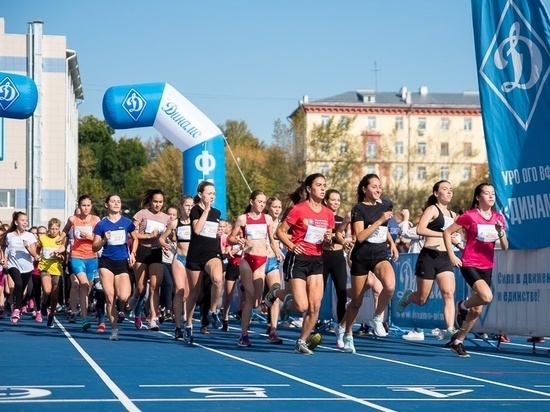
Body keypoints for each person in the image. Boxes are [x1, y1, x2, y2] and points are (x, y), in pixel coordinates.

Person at [270, 173, 335, 355]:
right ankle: (277, 294)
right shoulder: (299, 209)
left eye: (324, 185)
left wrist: (329, 240)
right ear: (309, 189)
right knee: (301, 306)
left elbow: (327, 242)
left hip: (317, 260)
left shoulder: (328, 213)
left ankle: (301, 341)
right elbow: (279, 232)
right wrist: (292, 246)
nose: (322, 189)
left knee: (315, 306)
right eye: (319, 185)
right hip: (297, 259)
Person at [443, 182, 508, 358]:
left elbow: (505, 247)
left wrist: (501, 232)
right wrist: (452, 255)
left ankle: (458, 342)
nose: (491, 196)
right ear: (478, 197)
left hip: (487, 265)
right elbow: (447, 233)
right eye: (486, 193)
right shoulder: (469, 216)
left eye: (493, 193)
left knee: (477, 310)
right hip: (470, 263)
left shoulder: (498, 218)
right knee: (487, 296)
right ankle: (461, 306)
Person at [341, 174, 399, 354]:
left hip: (380, 254)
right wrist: (380, 220)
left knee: (389, 287)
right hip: (362, 257)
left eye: (379, 186)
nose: (378, 190)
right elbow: (360, 236)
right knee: (356, 302)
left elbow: (383, 230)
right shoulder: (359, 208)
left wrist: (392, 243)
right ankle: (348, 333)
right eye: (374, 186)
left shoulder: (384, 206)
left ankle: (377, 317)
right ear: (364, 189)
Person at [396, 180, 459, 340]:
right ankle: (409, 297)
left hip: (444, 258)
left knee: (449, 293)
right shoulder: (432, 209)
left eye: (450, 189)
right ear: (436, 193)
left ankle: (450, 329)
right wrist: (443, 235)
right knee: (422, 299)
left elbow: (455, 236)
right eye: (445, 189)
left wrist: (457, 241)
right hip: (429, 256)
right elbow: (420, 229)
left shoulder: (454, 216)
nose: (449, 192)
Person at [229, 190, 283, 347]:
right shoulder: (242, 219)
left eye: (264, 202)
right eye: (259, 201)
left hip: (262, 259)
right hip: (247, 259)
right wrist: (238, 240)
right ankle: (244, 335)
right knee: (250, 297)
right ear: (251, 201)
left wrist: (278, 251)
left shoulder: (267, 219)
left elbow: (272, 240)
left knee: (257, 302)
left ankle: (263, 302)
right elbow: (232, 237)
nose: (262, 205)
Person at [92, 194, 138, 341]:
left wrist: (133, 253)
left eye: (119, 201)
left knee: (123, 296)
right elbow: (94, 247)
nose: (116, 204)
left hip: (121, 263)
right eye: (113, 201)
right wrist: (104, 239)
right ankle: (114, 329)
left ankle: (124, 309)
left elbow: (135, 238)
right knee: (110, 298)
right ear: (107, 205)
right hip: (106, 262)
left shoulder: (127, 223)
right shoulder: (101, 225)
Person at [183, 181, 224, 344]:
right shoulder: (195, 210)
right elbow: (197, 230)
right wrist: (206, 210)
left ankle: (213, 311)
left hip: (212, 253)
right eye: (209, 193)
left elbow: (212, 232)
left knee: (217, 279)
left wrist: (219, 231)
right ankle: (188, 325)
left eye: (214, 194)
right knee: (194, 294)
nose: (212, 196)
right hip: (195, 256)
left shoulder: (217, 212)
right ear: (200, 195)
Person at [58, 195, 101, 331]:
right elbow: (65, 230)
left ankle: (83, 313)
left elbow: (100, 237)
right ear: (79, 206)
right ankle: (83, 318)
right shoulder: (73, 219)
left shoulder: (96, 220)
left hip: (92, 257)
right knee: (83, 283)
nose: (86, 208)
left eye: (88, 205)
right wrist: (61, 239)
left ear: (91, 206)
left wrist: (89, 237)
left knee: (88, 287)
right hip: (76, 256)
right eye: (83, 205)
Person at [131, 189, 171, 331]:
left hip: (156, 252)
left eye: (160, 202)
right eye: (155, 201)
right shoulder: (142, 214)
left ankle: (152, 318)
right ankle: (136, 303)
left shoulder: (166, 218)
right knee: (141, 288)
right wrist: (148, 236)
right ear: (150, 201)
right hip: (142, 250)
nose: (158, 204)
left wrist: (166, 244)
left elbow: (168, 236)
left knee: (155, 285)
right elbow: (132, 234)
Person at [159, 196, 193, 340]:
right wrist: (164, 244)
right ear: (181, 206)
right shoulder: (175, 223)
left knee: (188, 294)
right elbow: (161, 237)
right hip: (179, 258)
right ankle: (178, 327)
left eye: (192, 205)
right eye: (187, 205)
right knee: (179, 291)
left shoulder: (197, 224)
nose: (189, 208)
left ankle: (189, 324)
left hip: (193, 261)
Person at [0, 212, 40, 326]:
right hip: (13, 265)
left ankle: (17, 305)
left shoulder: (30, 236)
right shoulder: (9, 235)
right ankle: (16, 310)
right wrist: (3, 259)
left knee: (21, 290)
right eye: (22, 220)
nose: (25, 222)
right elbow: (3, 248)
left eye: (26, 220)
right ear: (16, 222)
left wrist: (27, 246)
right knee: (18, 283)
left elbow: (34, 254)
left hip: (27, 266)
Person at [321, 189, 349, 348]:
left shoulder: (341, 220)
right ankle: (311, 325)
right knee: (318, 295)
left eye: (338, 200)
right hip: (323, 258)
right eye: (333, 200)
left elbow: (348, 237)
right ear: (326, 201)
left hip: (338, 257)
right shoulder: (320, 218)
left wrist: (345, 240)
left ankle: (341, 330)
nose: (336, 203)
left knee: (342, 293)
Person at [263, 196, 285, 343]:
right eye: (274, 207)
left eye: (279, 207)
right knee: (255, 300)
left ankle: (273, 330)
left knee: (275, 293)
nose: (277, 210)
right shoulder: (262, 221)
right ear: (268, 208)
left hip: (273, 262)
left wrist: (281, 247)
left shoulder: (283, 225)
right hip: (258, 261)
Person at [38, 218, 66, 328]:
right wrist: (37, 255)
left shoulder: (61, 240)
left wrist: (58, 256)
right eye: (52, 229)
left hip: (56, 270)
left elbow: (63, 258)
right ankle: (44, 302)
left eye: (56, 229)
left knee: (54, 296)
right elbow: (38, 248)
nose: (54, 231)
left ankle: (51, 315)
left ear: (59, 229)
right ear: (48, 228)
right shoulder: (43, 238)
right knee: (47, 290)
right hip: (44, 267)